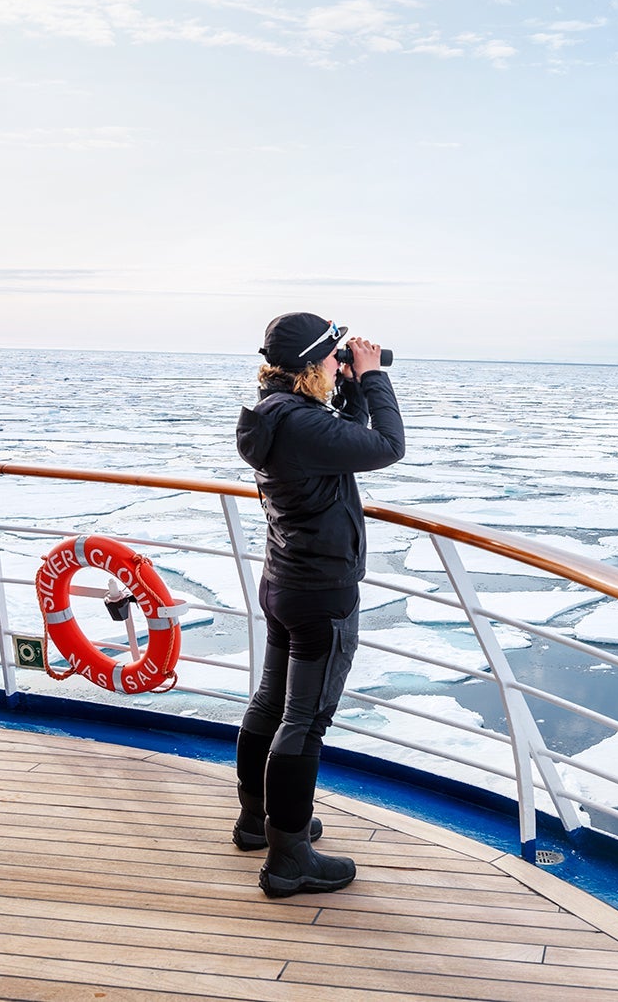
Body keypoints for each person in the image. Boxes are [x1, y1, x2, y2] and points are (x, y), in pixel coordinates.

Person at [232, 312, 405, 898]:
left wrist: (352, 388)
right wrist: (376, 378)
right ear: (311, 365)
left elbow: (344, 447)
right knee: (304, 721)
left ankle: (261, 822)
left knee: (270, 702)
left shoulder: (276, 413)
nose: (342, 365)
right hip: (319, 593)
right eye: (335, 359)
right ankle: (290, 859)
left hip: (284, 582)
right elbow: (386, 447)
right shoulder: (304, 424)